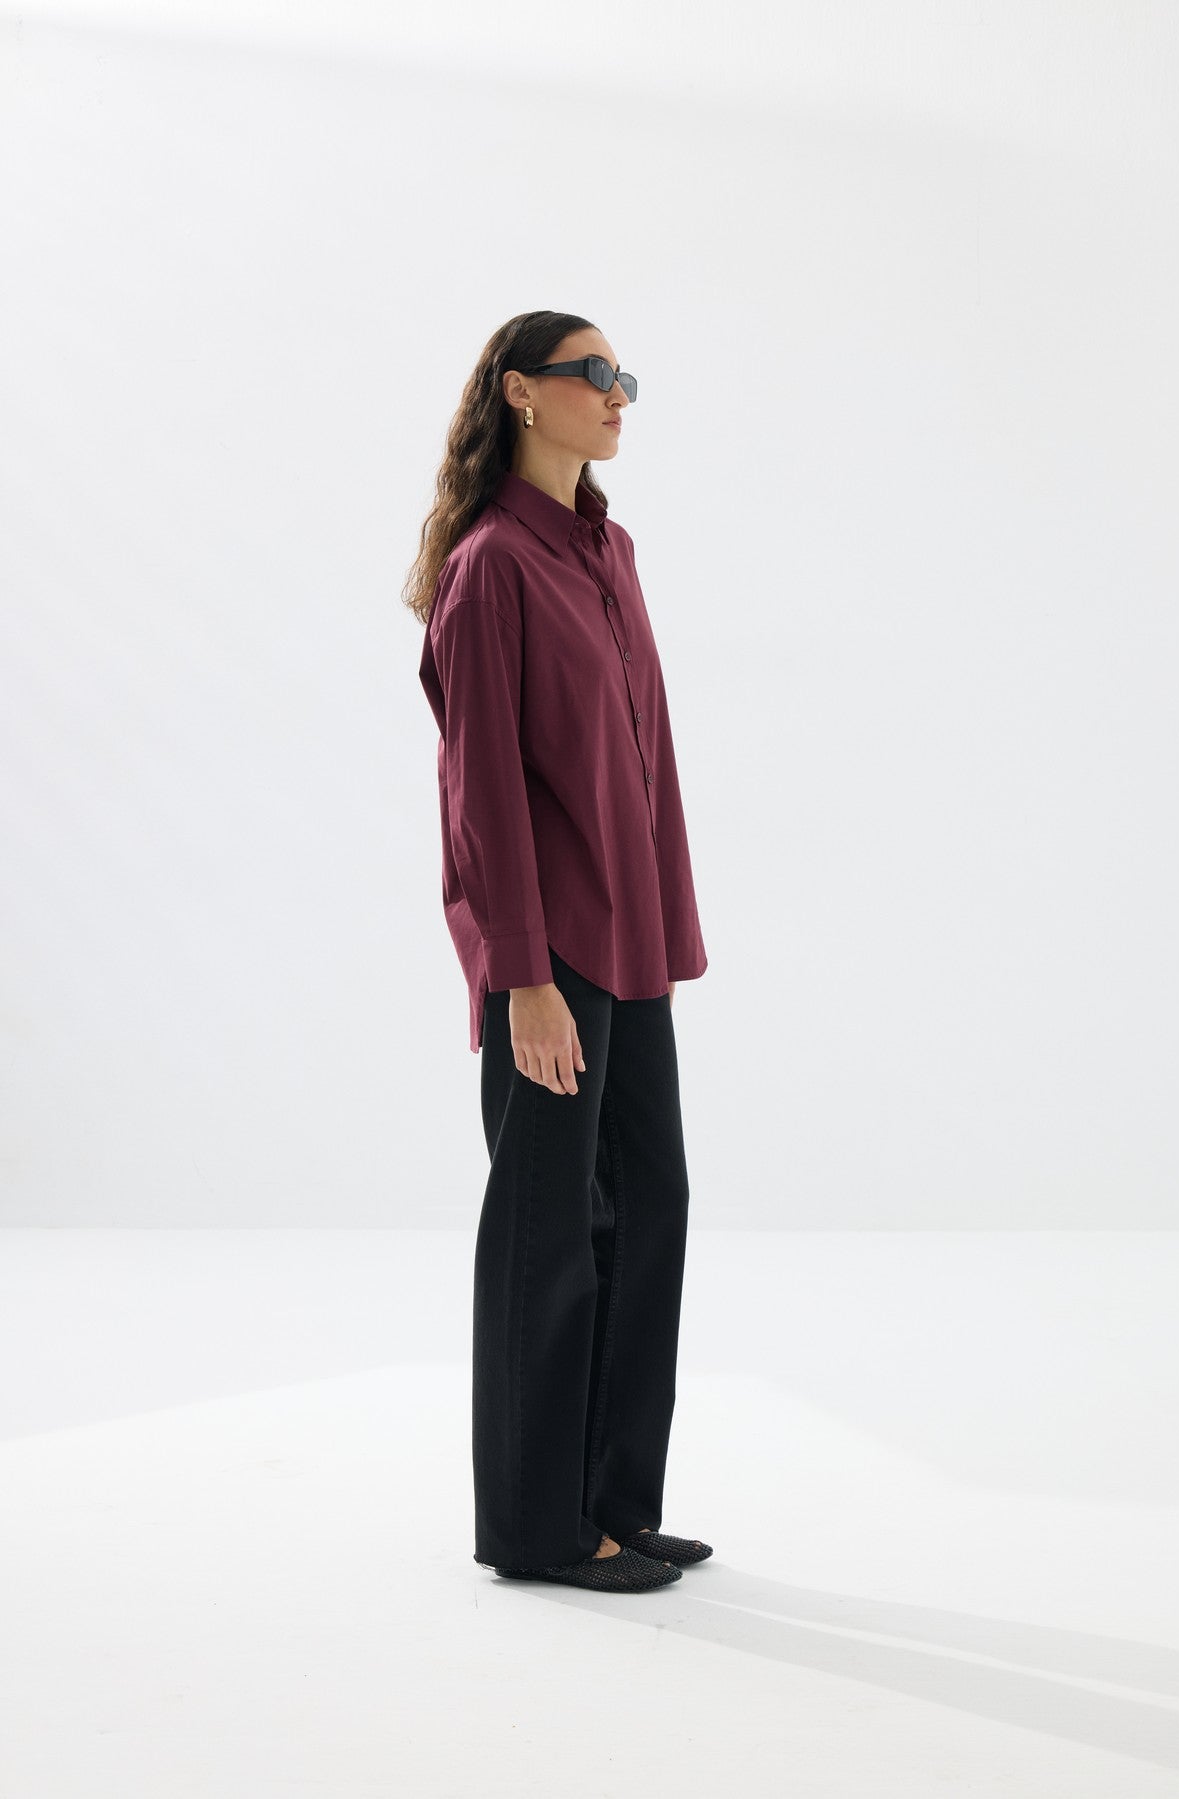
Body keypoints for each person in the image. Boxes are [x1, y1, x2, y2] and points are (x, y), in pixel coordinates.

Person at [407, 310, 714, 1593]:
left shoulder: (609, 549)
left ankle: (614, 1503)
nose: (617, 394)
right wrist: (521, 976)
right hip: (551, 950)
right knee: (548, 1228)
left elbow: (641, 756)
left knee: (650, 1205)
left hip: (629, 937)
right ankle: (538, 1527)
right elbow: (481, 791)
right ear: (523, 394)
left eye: (623, 376)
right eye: (595, 375)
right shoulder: (492, 566)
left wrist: (664, 920)